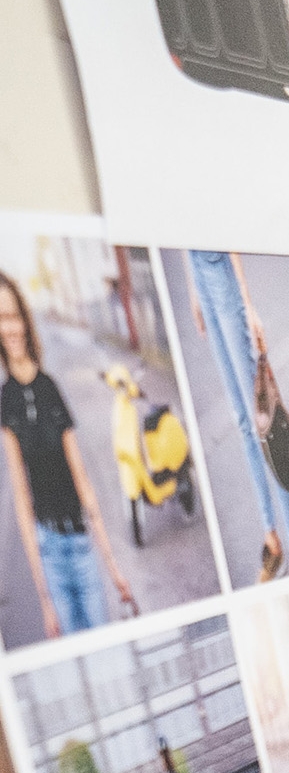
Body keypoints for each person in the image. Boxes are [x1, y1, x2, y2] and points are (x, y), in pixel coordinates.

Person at [0, 271, 136, 637]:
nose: (8, 328)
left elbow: (82, 479)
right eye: (0, 319)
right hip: (49, 553)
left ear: (25, 322)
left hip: (80, 546)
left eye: (12, 316)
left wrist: (113, 566)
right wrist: (44, 600)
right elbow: (22, 498)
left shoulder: (50, 389)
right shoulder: (5, 402)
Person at [186, 250, 289, 582]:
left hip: (218, 268)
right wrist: (194, 290)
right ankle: (272, 537)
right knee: (243, 423)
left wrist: (248, 304)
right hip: (199, 271)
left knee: (263, 425)